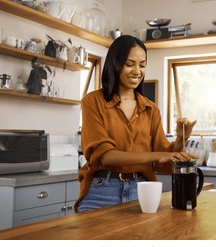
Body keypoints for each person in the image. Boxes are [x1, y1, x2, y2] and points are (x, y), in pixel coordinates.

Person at [75, 35, 197, 213]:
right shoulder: (92, 101)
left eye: (142, 65)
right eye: (129, 64)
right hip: (103, 190)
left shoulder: (151, 109)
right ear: (115, 63)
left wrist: (180, 139)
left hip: (143, 190)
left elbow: (164, 164)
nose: (137, 71)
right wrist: (156, 156)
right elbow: (105, 156)